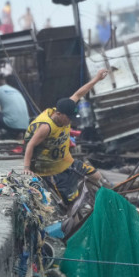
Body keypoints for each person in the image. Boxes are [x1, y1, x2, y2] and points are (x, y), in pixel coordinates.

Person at [22, 69, 108, 205]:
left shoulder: (66, 107)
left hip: (66, 160)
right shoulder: (46, 127)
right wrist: (27, 168)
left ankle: (95, 201)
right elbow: (30, 145)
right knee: (69, 201)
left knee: (96, 176)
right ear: (59, 114)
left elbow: (79, 93)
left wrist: (96, 79)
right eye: (69, 118)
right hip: (51, 167)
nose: (70, 122)